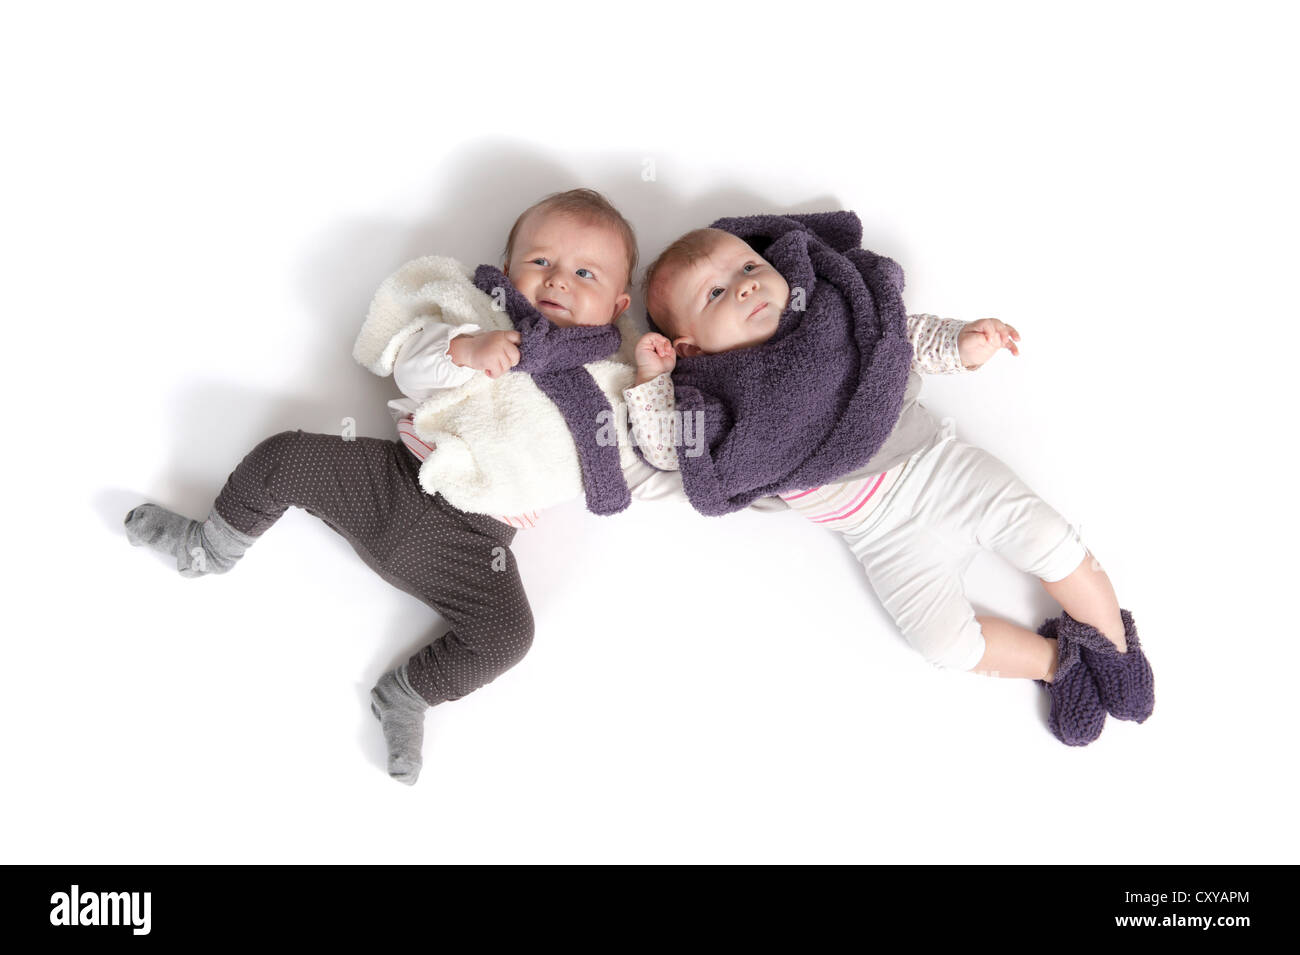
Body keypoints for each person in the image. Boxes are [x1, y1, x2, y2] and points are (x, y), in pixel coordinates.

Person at [124, 188, 677, 783]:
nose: (558, 280)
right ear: (510, 266)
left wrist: (651, 384)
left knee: (509, 638)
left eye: (585, 272)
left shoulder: (611, 386)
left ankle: (406, 696)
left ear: (619, 304)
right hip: (393, 480)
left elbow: (652, 466)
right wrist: (466, 350)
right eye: (540, 261)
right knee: (283, 454)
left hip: (474, 547)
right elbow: (409, 368)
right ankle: (208, 550)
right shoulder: (481, 320)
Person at [624, 212, 1154, 746]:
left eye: (748, 265)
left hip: (941, 470)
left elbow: (895, 342)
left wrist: (961, 344)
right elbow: (671, 450)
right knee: (944, 645)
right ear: (687, 346)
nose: (746, 287)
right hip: (880, 537)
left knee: (1049, 540)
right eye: (716, 293)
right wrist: (651, 381)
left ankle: (1113, 645)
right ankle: (1057, 662)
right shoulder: (710, 394)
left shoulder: (825, 315)